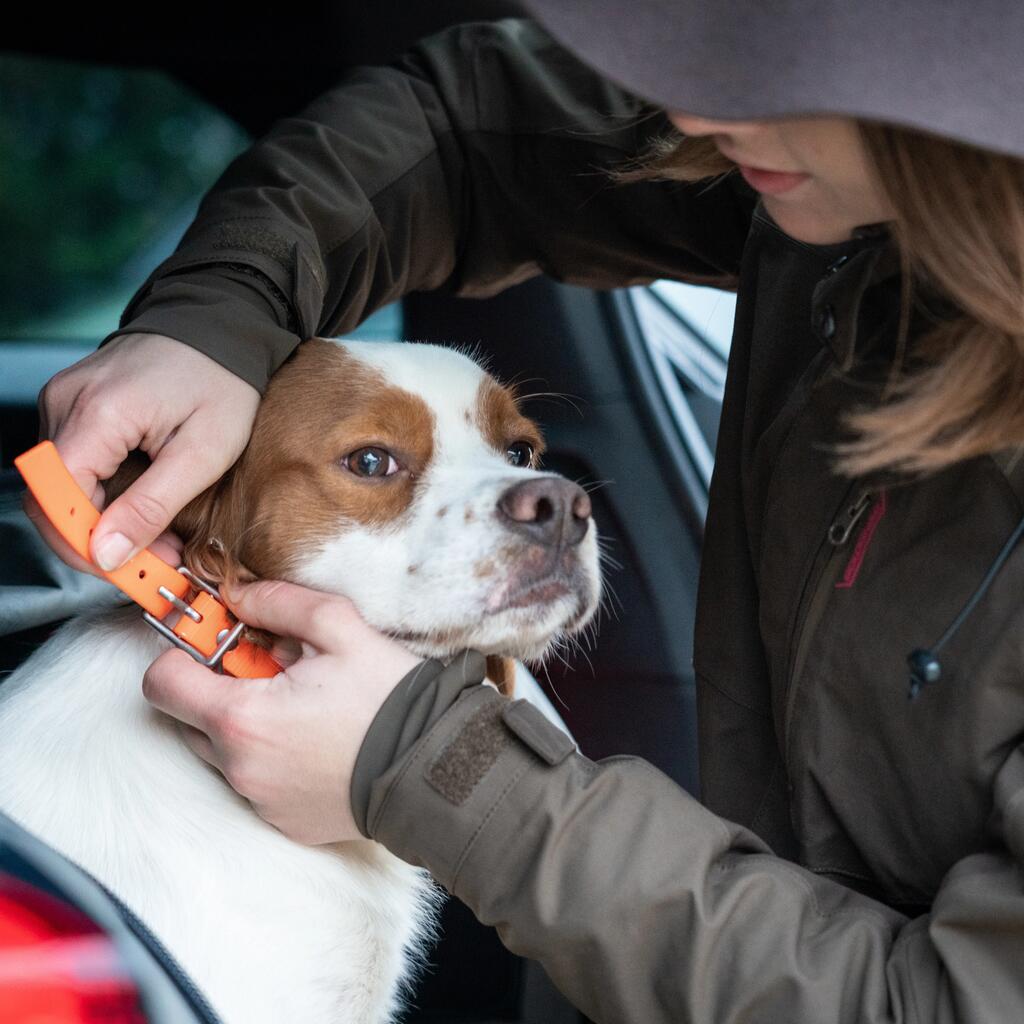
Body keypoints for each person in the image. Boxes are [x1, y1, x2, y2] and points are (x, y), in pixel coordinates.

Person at [29, 2, 1024, 1020]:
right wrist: (217, 316)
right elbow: (470, 125)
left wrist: (431, 769)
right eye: (374, 460)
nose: (684, 103)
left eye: (787, 60)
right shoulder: (807, 167)